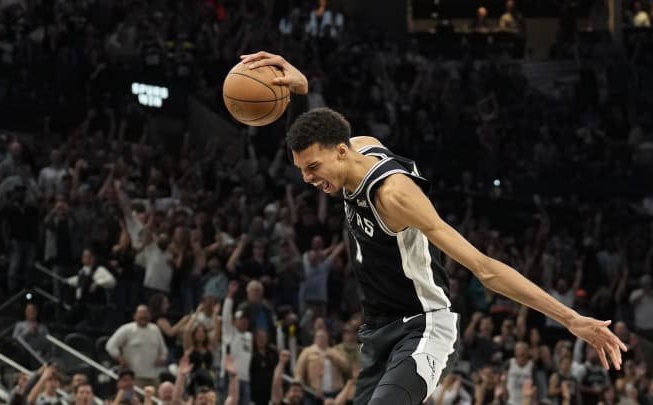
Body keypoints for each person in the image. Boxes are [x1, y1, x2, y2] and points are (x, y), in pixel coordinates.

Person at [238, 51, 627, 405]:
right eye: (302, 170)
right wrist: (301, 94)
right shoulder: (353, 150)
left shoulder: (394, 197)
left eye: (313, 169)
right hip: (378, 333)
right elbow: (316, 139)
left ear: (341, 152)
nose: (307, 179)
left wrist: (571, 319)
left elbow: (484, 267)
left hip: (424, 327)